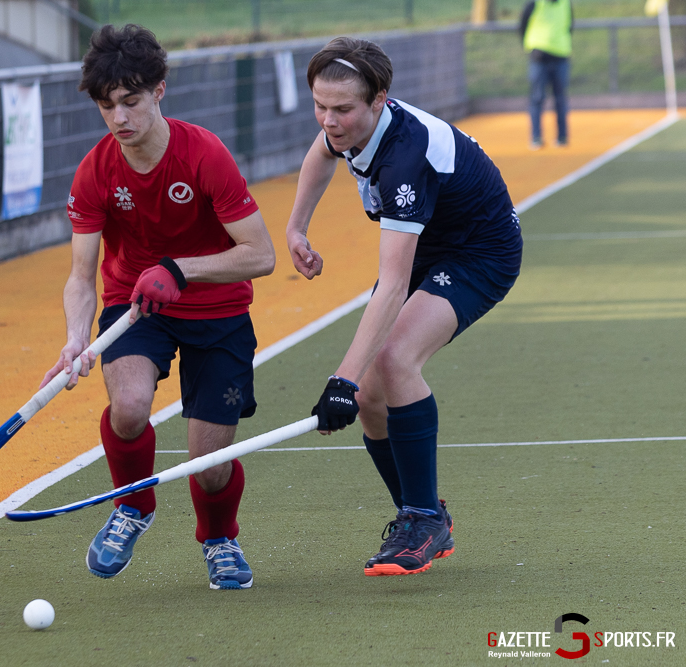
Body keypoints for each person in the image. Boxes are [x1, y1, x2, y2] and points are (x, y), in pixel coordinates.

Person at [42, 24, 276, 590]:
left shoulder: (205, 155)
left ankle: (219, 538)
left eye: (131, 101)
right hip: (135, 306)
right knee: (127, 407)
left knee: (209, 466)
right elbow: (81, 276)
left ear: (159, 91)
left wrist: (179, 269)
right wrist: (75, 338)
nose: (119, 118)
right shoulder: (96, 171)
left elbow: (261, 255)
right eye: (107, 106)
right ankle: (133, 505)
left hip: (218, 312)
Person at [285, 38, 522, 576]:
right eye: (320, 106)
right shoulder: (347, 127)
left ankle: (422, 519)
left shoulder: (405, 158)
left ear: (379, 100)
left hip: (480, 254)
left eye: (342, 109)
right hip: (427, 244)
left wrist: (339, 380)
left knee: (393, 361)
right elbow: (322, 150)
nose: (329, 120)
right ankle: (422, 512)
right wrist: (296, 227)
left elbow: (392, 286)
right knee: (369, 398)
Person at [520, 0, 574, 149]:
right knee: (537, 98)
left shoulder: (565, 3)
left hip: (561, 55)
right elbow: (523, 24)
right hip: (539, 57)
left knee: (560, 99)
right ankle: (536, 137)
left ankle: (562, 137)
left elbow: (570, 25)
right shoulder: (535, 3)